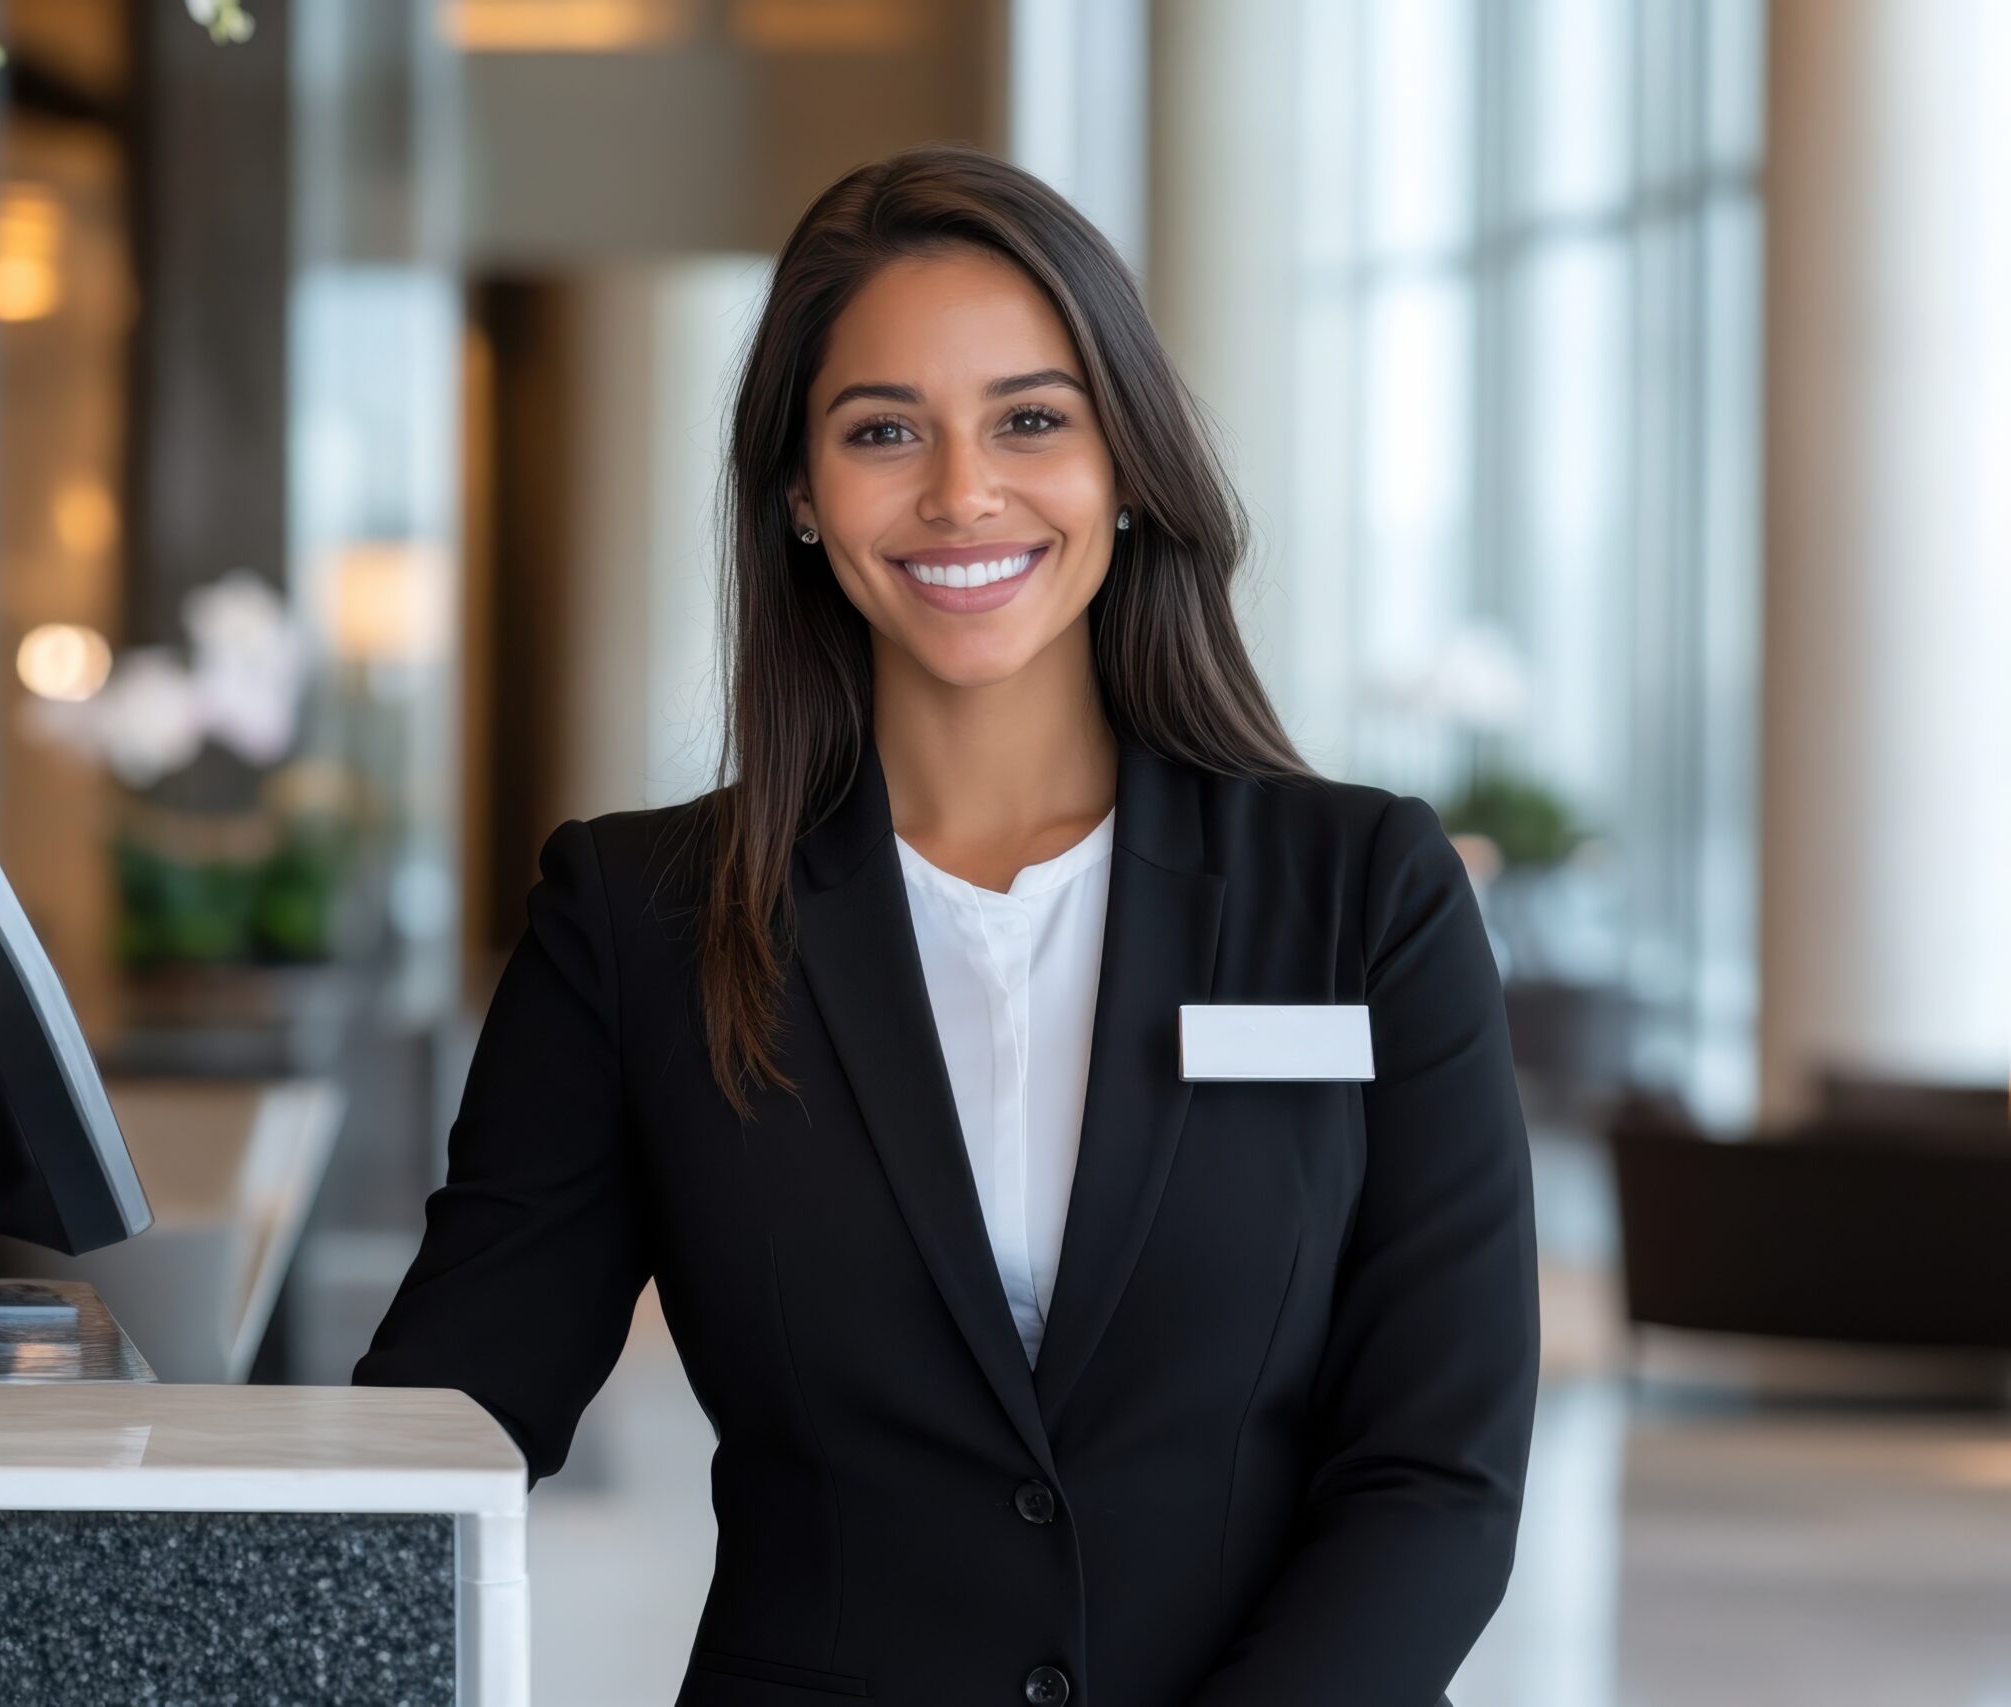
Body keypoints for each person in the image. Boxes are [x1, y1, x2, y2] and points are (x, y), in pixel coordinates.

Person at [353, 141, 1539, 1707]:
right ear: (797, 490)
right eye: (883, 430)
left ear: (1126, 463)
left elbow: (1437, 1476)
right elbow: (451, 1420)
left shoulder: (1366, 895)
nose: (962, 490)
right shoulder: (639, 923)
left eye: (1031, 420)